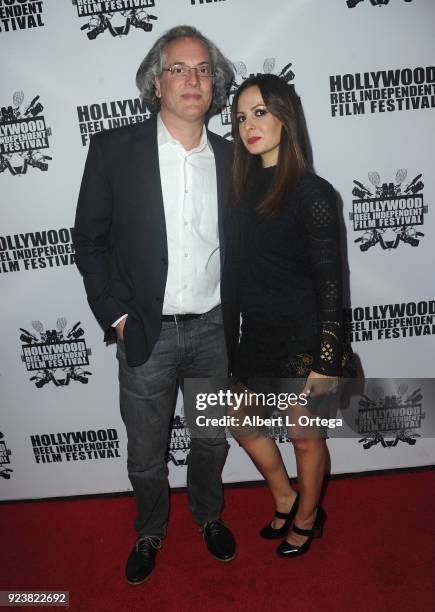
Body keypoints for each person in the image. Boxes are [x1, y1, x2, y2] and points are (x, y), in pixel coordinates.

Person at [74, 25, 237, 585]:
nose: (193, 80)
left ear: (214, 87)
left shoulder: (236, 158)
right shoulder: (115, 150)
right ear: (156, 82)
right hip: (145, 331)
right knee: (146, 453)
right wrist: (116, 316)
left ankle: (208, 515)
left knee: (212, 438)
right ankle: (149, 527)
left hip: (216, 331)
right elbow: (88, 241)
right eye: (179, 69)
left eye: (202, 71)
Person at [225, 73, 343, 558]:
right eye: (240, 118)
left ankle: (309, 517)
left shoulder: (312, 193)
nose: (249, 126)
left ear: (285, 117)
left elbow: (332, 283)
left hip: (303, 337)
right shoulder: (239, 190)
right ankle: (285, 496)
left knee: (305, 436)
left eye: (260, 112)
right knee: (236, 414)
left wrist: (327, 358)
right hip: (255, 335)